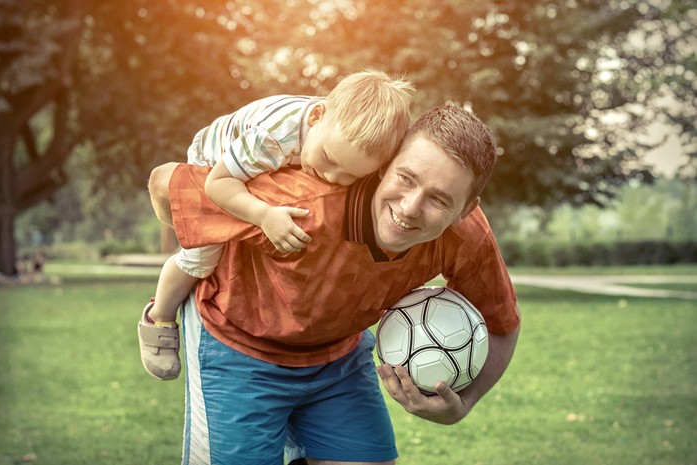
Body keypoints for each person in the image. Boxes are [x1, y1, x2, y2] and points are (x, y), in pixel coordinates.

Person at [148, 105, 521, 464]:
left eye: (439, 199)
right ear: (384, 166)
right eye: (405, 178)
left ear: (467, 210)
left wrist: (464, 403)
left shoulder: (468, 237)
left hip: (338, 358)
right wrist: (218, 221)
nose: (409, 207)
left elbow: (502, 323)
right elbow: (164, 182)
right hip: (237, 346)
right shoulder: (301, 200)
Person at [138, 70, 414, 380]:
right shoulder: (275, 138)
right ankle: (158, 315)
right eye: (328, 158)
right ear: (316, 117)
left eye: (350, 176)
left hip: (257, 162)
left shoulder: (334, 137)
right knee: (202, 258)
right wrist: (263, 215)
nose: (332, 177)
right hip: (214, 159)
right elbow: (219, 182)